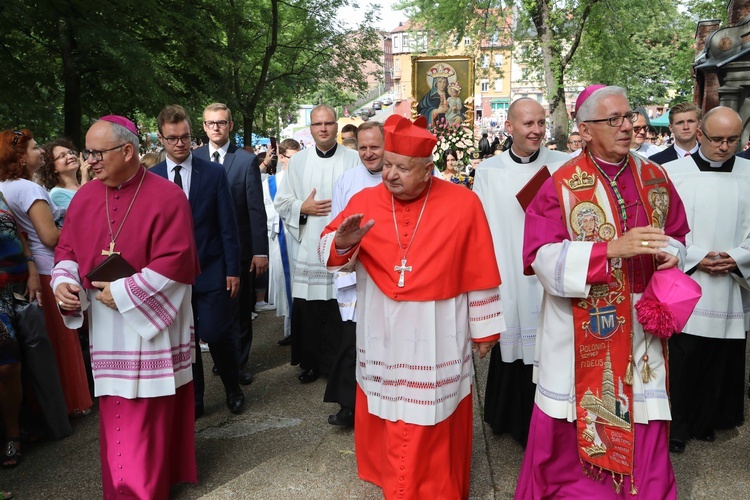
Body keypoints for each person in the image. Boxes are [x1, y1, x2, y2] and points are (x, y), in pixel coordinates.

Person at [515, 85, 689, 498]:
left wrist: (673, 254)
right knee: (576, 413)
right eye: (614, 120)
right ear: (586, 130)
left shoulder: (654, 175)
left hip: (641, 323)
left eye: (629, 117)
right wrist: (609, 249)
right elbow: (539, 257)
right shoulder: (561, 183)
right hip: (584, 325)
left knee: (643, 408)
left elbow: (679, 233)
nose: (627, 126)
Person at [319, 114, 506, 498]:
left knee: (434, 410)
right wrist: (343, 242)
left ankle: (434, 485)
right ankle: (394, 480)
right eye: (386, 164)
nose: (389, 175)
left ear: (427, 169)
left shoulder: (463, 203)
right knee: (388, 406)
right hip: (381, 324)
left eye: (402, 168)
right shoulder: (363, 201)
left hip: (438, 324)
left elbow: (480, 266)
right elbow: (329, 247)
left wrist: (484, 328)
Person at [52, 115, 199, 498]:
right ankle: (126, 487)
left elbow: (178, 260)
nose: (90, 162)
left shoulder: (167, 196)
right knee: (118, 410)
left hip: (150, 323)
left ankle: (145, 487)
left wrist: (124, 292)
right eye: (88, 153)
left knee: (150, 410)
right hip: (107, 323)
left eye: (97, 153)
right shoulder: (85, 196)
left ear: (128, 151)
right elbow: (67, 249)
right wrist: (64, 282)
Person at [475, 97, 570, 446]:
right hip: (510, 272)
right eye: (528, 124)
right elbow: (481, 227)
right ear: (510, 127)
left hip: (550, 270)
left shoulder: (564, 165)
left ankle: (551, 420)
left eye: (541, 123)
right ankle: (509, 417)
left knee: (551, 343)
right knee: (513, 344)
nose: (536, 130)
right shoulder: (489, 172)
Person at [664, 106, 749, 454]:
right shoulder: (671, 173)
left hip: (732, 278)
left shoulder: (749, 172)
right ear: (700, 135)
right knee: (685, 356)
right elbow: (665, 226)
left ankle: (710, 419)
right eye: (717, 139)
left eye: (733, 140)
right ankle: (678, 425)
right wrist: (698, 256)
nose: (725, 146)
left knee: (720, 355)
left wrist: (739, 257)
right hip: (690, 277)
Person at [152, 105, 244, 418]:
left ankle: (233, 387)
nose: (180, 144)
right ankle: (196, 399)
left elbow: (227, 226)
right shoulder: (152, 178)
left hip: (212, 269)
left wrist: (233, 269)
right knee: (185, 341)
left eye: (185, 137)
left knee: (217, 333)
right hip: (171, 278)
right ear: (161, 138)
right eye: (173, 138)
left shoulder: (213, 173)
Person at [0, 130, 92, 418]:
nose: (41, 151)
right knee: (63, 342)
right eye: (35, 147)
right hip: (49, 269)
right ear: (20, 157)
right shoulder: (28, 189)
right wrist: (82, 232)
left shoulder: (5, 188)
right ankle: (73, 403)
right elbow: (50, 236)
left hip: (30, 271)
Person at [274, 105, 358, 384]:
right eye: (317, 124)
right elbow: (282, 202)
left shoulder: (354, 159)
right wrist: (303, 206)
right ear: (310, 129)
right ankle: (310, 363)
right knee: (310, 310)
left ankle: (337, 364)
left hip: (342, 247)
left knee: (338, 309)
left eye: (328, 123)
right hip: (309, 245)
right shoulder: (298, 162)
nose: (323, 128)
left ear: (336, 126)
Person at [193, 102, 268, 386]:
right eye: (211, 123)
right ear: (203, 126)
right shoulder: (194, 157)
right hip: (205, 252)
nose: (216, 127)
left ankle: (238, 363)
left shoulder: (245, 160)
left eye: (221, 122)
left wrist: (259, 250)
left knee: (239, 310)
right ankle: (221, 359)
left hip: (239, 248)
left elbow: (255, 209)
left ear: (230, 125)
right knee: (212, 311)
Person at [324, 121, 385, 429]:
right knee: (353, 339)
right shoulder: (347, 180)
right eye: (363, 147)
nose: (368, 153)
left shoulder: (400, 175)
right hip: (355, 271)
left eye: (375, 147)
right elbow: (337, 228)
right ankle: (349, 404)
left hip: (389, 271)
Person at [0, 177, 40, 468]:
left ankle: (16, 430)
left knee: (15, 363)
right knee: (7, 364)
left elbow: (20, 235)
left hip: (12, 290)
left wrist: (31, 267)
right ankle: (12, 433)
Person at [264, 139, 301, 347]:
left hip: (302, 237)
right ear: (282, 157)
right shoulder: (271, 183)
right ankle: (290, 330)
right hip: (282, 237)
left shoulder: (305, 178)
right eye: (291, 158)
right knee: (287, 283)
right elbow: (268, 209)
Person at [37, 139, 91, 209]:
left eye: (71, 153)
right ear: (53, 168)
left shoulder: (86, 182)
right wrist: (85, 178)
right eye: (62, 156)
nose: (70, 156)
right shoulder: (57, 194)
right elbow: (83, 213)